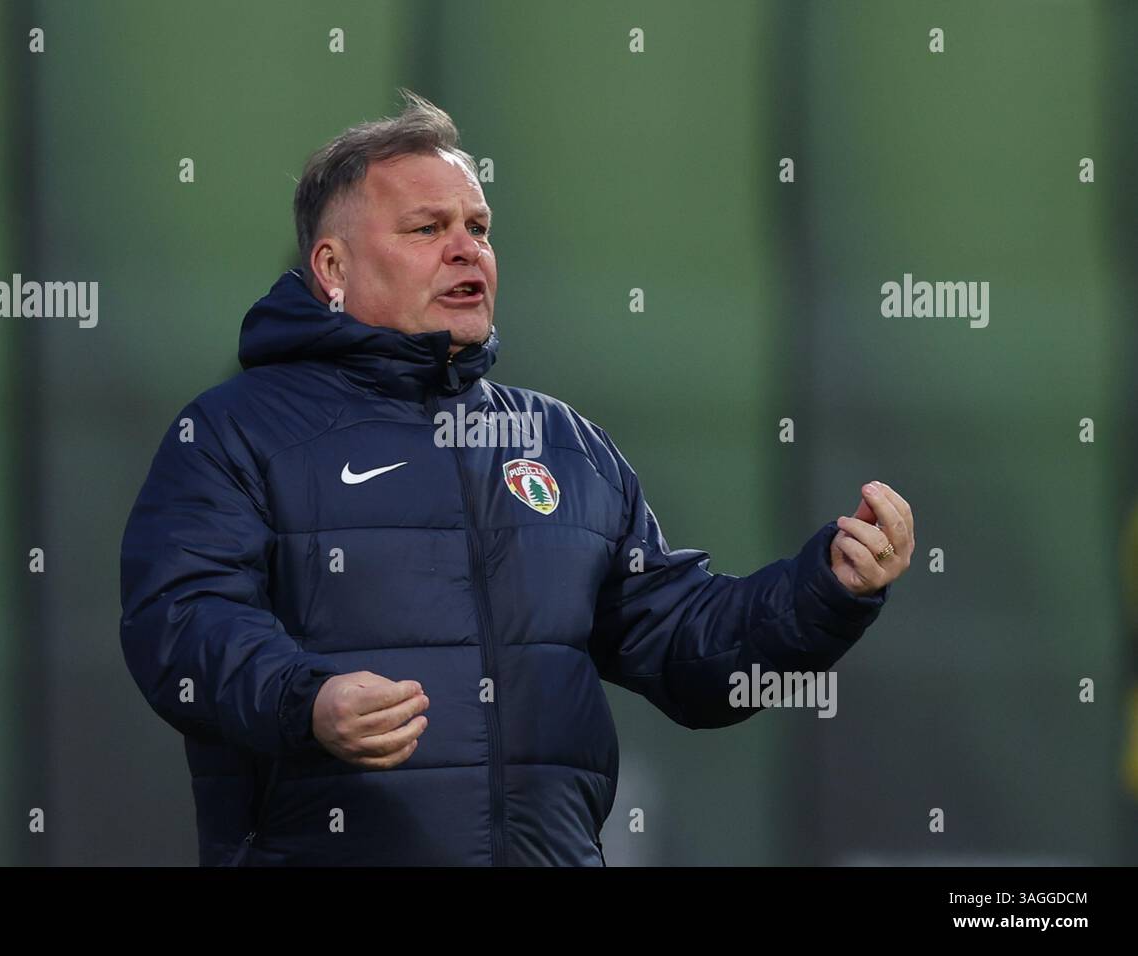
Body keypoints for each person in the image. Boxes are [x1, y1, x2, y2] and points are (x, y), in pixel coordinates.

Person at [118, 89, 914, 866]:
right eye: (427, 228)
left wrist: (827, 591)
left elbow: (687, 652)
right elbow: (181, 623)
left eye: (478, 228)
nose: (466, 249)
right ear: (332, 266)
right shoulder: (232, 432)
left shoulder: (562, 444)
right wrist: (309, 700)